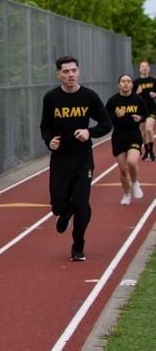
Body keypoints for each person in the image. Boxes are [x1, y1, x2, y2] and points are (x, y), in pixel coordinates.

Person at [40, 56, 111, 262]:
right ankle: (66, 211)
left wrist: (90, 132)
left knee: (82, 203)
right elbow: (45, 126)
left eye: (73, 70)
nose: (70, 75)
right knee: (58, 206)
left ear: (78, 72)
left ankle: (78, 246)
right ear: (58, 74)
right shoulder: (51, 98)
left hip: (83, 158)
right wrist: (49, 141)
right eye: (66, 71)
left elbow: (106, 124)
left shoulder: (89, 96)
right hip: (60, 159)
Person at [106, 74, 147, 205]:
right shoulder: (113, 101)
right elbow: (106, 120)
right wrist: (116, 116)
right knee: (123, 169)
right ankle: (126, 194)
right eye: (123, 81)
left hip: (134, 134)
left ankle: (135, 183)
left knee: (132, 162)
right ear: (119, 84)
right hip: (118, 136)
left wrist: (140, 118)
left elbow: (145, 114)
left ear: (132, 85)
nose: (126, 83)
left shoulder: (138, 99)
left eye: (128, 81)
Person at [133, 61, 156, 161]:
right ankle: (146, 151)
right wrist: (137, 93)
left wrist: (155, 95)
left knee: (149, 129)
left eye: (146, 66)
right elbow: (131, 96)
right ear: (139, 69)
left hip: (152, 109)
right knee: (143, 133)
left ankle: (151, 151)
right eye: (142, 66)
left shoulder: (153, 80)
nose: (145, 68)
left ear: (149, 69)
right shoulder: (135, 82)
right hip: (141, 110)